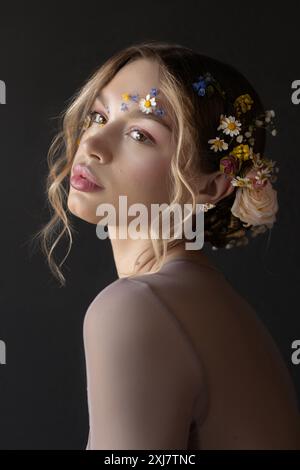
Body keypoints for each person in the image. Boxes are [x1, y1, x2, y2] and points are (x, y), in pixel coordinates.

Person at [37, 41, 300, 449]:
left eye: (141, 134)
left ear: (211, 186)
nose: (92, 144)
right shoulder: (212, 304)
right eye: (98, 115)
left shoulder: (137, 306)